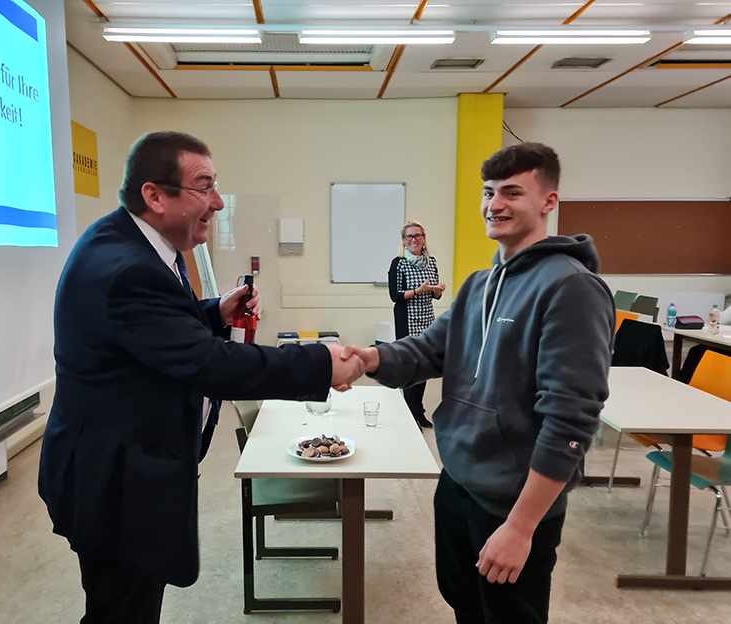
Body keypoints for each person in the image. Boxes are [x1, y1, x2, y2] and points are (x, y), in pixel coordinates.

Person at [38, 131, 364, 624]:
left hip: (122, 466)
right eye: (204, 186)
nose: (217, 202)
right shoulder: (127, 268)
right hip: (114, 483)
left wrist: (213, 311)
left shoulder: (132, 242)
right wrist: (320, 362)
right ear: (154, 195)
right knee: (121, 611)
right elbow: (212, 365)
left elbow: (154, 330)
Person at [343, 142, 613, 623]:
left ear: (548, 201)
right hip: (458, 482)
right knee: (465, 606)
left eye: (512, 192)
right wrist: (369, 359)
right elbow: (429, 351)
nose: (495, 204)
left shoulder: (570, 287)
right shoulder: (478, 285)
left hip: (513, 503)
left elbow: (570, 418)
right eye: (489, 192)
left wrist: (521, 526)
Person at [387, 220, 445, 428]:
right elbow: (395, 295)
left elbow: (435, 295)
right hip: (407, 319)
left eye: (418, 235)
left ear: (424, 238)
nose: (414, 239)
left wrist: (437, 290)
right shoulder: (399, 263)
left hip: (427, 317)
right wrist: (417, 291)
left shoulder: (431, 262)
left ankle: (419, 411)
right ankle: (410, 414)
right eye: (409, 236)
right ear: (404, 240)